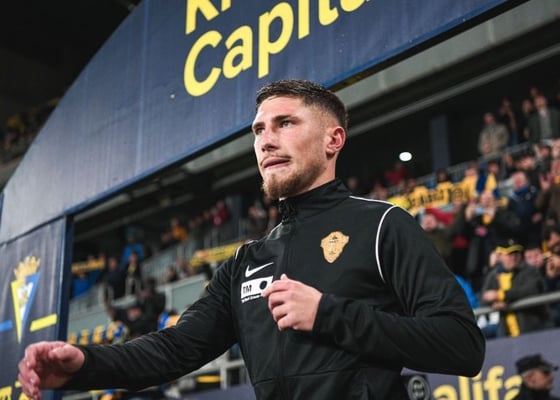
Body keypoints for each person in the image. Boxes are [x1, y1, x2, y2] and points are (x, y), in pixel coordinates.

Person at [18, 79, 485, 400]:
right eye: (259, 130)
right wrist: (85, 365)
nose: (266, 140)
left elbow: (462, 345)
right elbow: (176, 349)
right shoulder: (245, 262)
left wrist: (329, 314)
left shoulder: (383, 225)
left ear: (333, 140)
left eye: (286, 123)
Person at [480, 239, 552, 337]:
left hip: (535, 332)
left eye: (516, 253)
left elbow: (531, 290)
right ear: (499, 256)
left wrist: (501, 295)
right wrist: (493, 303)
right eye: (509, 254)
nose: (514, 257)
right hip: (507, 336)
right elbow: (484, 298)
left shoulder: (530, 271)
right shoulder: (493, 276)